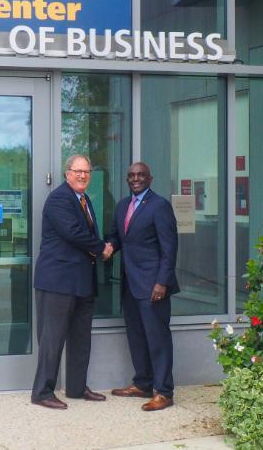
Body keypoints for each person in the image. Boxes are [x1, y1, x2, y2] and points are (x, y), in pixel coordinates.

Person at [31, 154, 114, 410]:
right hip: (57, 282)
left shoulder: (84, 200)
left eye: (86, 172)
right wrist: (101, 248)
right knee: (52, 339)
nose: (82, 175)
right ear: (67, 173)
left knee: (81, 338)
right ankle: (42, 392)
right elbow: (73, 233)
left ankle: (77, 388)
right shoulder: (59, 199)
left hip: (82, 282)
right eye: (78, 171)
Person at [105, 162, 179, 411]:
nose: (135, 179)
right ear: (127, 179)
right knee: (136, 336)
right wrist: (109, 247)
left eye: (140, 175)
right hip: (129, 284)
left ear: (150, 178)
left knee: (157, 338)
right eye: (131, 176)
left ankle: (164, 391)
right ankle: (143, 384)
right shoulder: (122, 206)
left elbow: (169, 248)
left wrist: (162, 282)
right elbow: (117, 237)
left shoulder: (160, 206)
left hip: (153, 286)